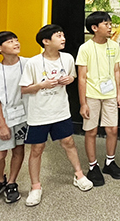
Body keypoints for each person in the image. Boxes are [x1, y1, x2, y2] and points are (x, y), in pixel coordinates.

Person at [20, 24, 93, 206]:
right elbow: (24, 89)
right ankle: (35, 187)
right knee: (37, 149)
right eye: (58, 36)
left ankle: (79, 175)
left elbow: (72, 76)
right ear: (46, 41)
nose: (63, 38)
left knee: (69, 142)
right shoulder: (33, 63)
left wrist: (70, 79)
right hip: (39, 113)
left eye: (63, 35)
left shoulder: (67, 58)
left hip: (61, 111)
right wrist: (41, 85)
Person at [76, 11, 120, 185]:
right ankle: (93, 166)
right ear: (94, 28)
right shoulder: (85, 48)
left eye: (110, 23)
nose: (110, 27)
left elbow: (117, 71)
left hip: (110, 94)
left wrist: (119, 93)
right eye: (106, 24)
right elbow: (81, 77)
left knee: (113, 130)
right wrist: (83, 103)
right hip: (91, 95)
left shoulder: (114, 46)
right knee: (91, 131)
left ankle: (110, 162)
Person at [0, 32, 28, 204]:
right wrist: (2, 126)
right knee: (0, 154)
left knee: (18, 149)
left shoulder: (28, 64)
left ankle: (12, 183)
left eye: (16, 40)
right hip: (4, 119)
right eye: (10, 42)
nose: (16, 43)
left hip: (23, 117)